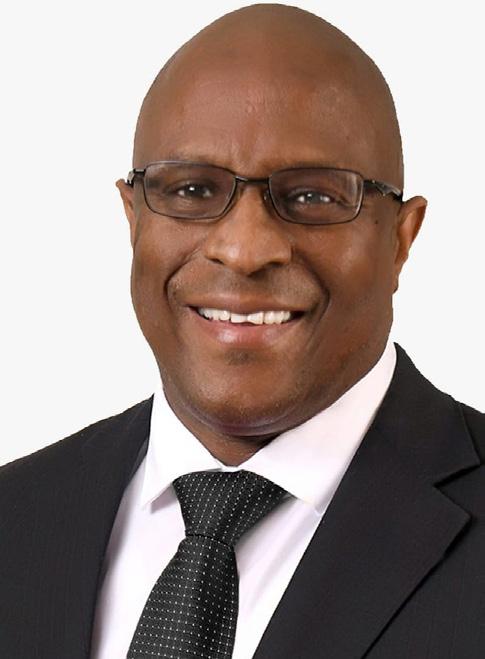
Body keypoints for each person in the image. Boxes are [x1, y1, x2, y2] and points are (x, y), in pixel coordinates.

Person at [1, 3, 484, 658]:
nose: (244, 249)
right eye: (192, 191)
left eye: (312, 196)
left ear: (401, 238)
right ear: (133, 219)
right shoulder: (15, 516)